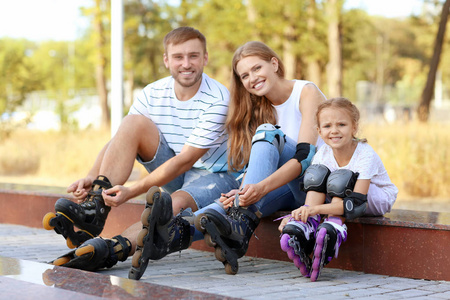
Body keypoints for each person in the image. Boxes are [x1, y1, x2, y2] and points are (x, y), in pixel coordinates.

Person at [45, 27, 240, 272]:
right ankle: (95, 207)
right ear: (166, 60)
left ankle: (115, 248)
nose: (186, 64)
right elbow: (121, 139)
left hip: (216, 175)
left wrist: (133, 190)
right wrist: (92, 176)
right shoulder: (152, 93)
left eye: (193, 56)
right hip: (176, 169)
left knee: (173, 202)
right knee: (131, 123)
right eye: (178, 57)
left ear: (205, 58)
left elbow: (186, 160)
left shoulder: (218, 99)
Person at [127, 40, 327, 279]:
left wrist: (256, 188)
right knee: (216, 212)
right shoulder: (258, 107)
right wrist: (244, 190)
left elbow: (305, 158)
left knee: (267, 133)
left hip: (314, 188)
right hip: (282, 190)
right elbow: (258, 166)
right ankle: (169, 238)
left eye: (257, 68)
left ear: (274, 63)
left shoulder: (306, 92)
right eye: (244, 75)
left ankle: (239, 222)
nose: (252, 78)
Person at [278, 97, 398, 282]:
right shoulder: (323, 153)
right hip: (341, 198)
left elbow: (356, 202)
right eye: (327, 126)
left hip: (374, 197)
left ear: (354, 128)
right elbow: (315, 193)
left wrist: (316, 209)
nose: (334, 131)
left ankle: (334, 226)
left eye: (341, 124)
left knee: (343, 178)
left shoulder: (365, 153)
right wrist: (299, 214)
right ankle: (308, 226)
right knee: (317, 174)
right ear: (319, 131)